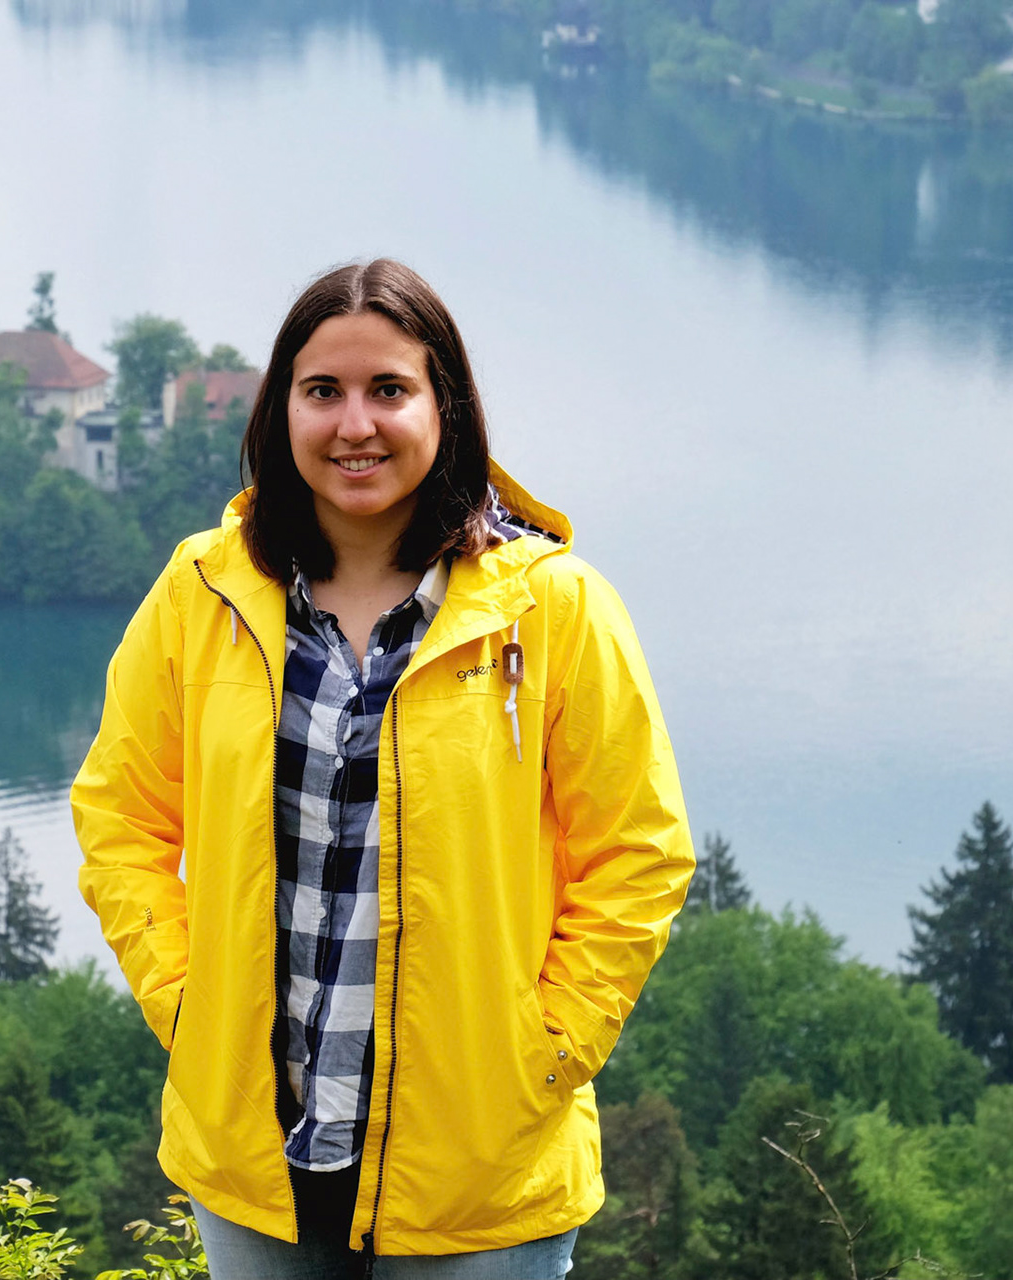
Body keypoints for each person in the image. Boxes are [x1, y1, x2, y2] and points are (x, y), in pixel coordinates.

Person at [70, 259, 695, 1278]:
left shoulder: (554, 609)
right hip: (255, 1153)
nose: (353, 424)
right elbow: (121, 817)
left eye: (388, 390)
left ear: (445, 407)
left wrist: (548, 1049)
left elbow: (641, 855)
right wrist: (185, 1002)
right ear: (282, 413)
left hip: (479, 1168)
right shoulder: (200, 594)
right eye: (323, 392)